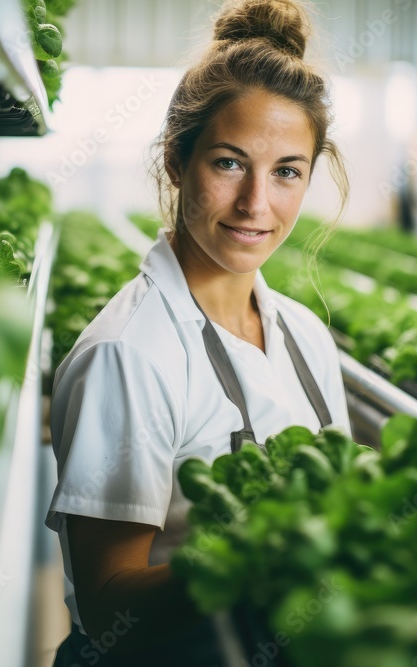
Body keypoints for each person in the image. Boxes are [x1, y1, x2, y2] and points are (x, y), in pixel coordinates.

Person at [46, 1, 351, 664]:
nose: (256, 205)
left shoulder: (305, 336)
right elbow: (107, 603)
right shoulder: (129, 353)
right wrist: (261, 561)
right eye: (230, 163)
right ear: (177, 162)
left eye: (286, 171)